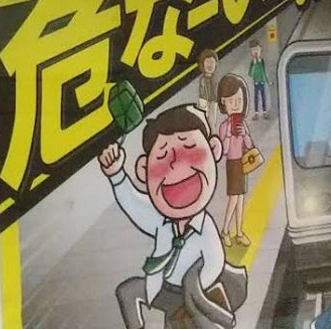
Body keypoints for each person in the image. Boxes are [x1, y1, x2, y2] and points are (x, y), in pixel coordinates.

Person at [99, 105, 249, 329]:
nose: (177, 165)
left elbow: (215, 260)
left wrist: (194, 282)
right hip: (162, 287)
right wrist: (116, 174)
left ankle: (213, 316)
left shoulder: (205, 227)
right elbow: (133, 204)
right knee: (127, 292)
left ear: (214, 149)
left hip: (192, 293)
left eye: (189, 149)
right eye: (162, 157)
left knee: (188, 316)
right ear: (143, 170)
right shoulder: (160, 221)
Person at [216, 74, 256, 246]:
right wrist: (228, 136)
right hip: (232, 164)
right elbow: (223, 151)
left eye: (239, 100)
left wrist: (244, 134)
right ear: (223, 101)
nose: (236, 104)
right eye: (232, 101)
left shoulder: (242, 124)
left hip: (242, 163)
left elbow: (250, 145)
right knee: (234, 198)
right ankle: (225, 230)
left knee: (240, 199)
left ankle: (239, 232)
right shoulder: (224, 126)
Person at [247, 40, 269, 118]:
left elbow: (264, 71)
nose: (255, 52)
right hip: (256, 83)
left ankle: (264, 112)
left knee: (263, 97)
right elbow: (250, 74)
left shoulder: (262, 61)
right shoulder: (252, 63)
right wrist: (254, 64)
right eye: (253, 50)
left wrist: (268, 81)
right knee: (256, 98)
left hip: (262, 82)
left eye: (257, 49)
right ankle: (256, 113)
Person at [195, 49, 220, 117]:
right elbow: (202, 91)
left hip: (214, 101)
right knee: (203, 116)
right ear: (202, 64)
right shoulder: (202, 79)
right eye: (207, 62)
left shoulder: (215, 78)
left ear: (216, 64)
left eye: (212, 62)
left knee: (212, 117)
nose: (210, 65)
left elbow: (217, 89)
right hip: (204, 101)